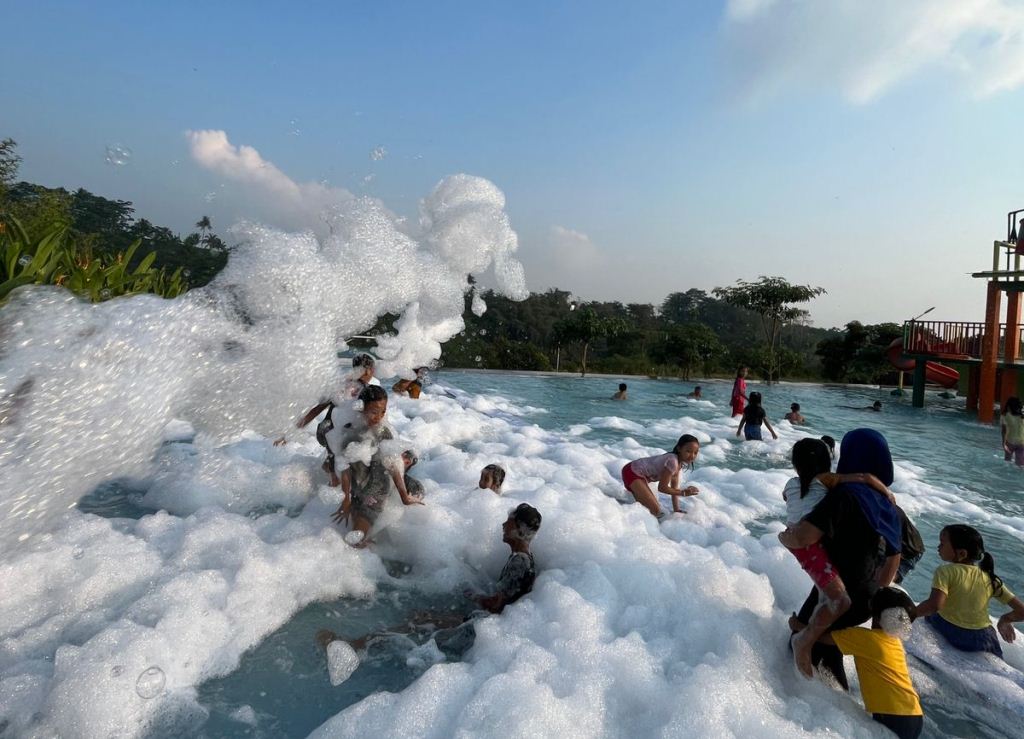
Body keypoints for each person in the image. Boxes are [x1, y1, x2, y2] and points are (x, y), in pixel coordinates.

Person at [319, 503, 542, 664]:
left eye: (509, 522)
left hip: (483, 628)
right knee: (420, 618)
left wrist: (473, 595)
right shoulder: (523, 558)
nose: (503, 524)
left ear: (519, 530)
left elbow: (495, 606)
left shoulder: (519, 562)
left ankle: (355, 647)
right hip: (491, 625)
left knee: (416, 623)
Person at [782, 429, 903, 689]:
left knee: (797, 657)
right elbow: (894, 557)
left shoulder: (844, 494)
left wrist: (785, 538)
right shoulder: (887, 503)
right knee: (829, 655)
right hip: (867, 598)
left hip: (836, 592)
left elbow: (805, 537)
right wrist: (873, 591)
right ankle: (844, 707)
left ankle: (816, 712)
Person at [793, 588, 924, 739]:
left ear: (875, 615)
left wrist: (797, 625)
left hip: (894, 716)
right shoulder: (895, 642)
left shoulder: (864, 638)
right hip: (914, 713)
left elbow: (822, 637)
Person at [329, 386, 423, 546]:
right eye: (373, 411)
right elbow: (344, 468)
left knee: (356, 540)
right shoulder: (349, 433)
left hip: (377, 492)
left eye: (383, 411)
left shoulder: (383, 432)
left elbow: (393, 465)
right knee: (355, 532)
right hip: (358, 489)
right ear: (361, 408)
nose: (378, 417)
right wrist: (346, 499)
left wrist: (404, 496)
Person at [914, 524, 1024, 658]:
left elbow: (934, 605)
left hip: (952, 630)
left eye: (942, 543)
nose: (938, 547)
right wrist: (1005, 620)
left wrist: (909, 614)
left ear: (962, 553)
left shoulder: (945, 571)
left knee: (930, 616)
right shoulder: (990, 578)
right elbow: (1022, 611)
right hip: (984, 637)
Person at [621, 434, 700, 519]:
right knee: (656, 511)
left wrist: (676, 509)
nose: (692, 456)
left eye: (695, 453)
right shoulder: (672, 461)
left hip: (637, 474)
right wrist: (683, 493)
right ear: (679, 448)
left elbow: (674, 488)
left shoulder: (678, 465)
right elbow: (662, 488)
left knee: (647, 510)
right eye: (688, 451)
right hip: (632, 472)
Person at [1001, 396, 1024, 466]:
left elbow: (1004, 431)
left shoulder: (1005, 415)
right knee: (1020, 465)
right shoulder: (1022, 416)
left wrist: (1003, 443)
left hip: (1010, 442)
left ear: (1009, 406)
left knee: (1007, 462)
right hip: (1022, 443)